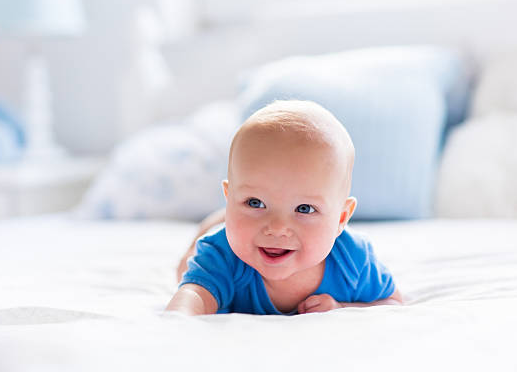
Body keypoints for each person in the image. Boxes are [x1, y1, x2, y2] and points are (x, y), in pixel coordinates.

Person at [166, 100, 402, 315]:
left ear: (341, 219)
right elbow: (194, 294)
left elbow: (391, 302)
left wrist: (342, 307)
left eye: (304, 209)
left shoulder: (353, 260)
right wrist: (179, 317)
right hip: (214, 242)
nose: (277, 228)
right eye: (255, 202)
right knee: (187, 266)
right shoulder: (221, 254)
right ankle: (212, 225)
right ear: (229, 198)